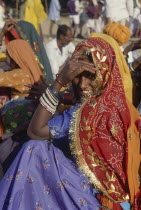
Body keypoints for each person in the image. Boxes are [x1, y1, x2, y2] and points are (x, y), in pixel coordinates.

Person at [0, 35, 140, 209]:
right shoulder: (122, 104)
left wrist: (59, 83)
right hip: (122, 198)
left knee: (35, 149)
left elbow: (35, 132)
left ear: (104, 74)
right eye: (77, 76)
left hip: (97, 199)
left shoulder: (86, 113)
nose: (82, 85)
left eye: (90, 76)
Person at [0, 19, 53, 84]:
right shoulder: (39, 72)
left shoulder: (16, 75)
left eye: (9, 53)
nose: (6, 56)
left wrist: (1, 34)